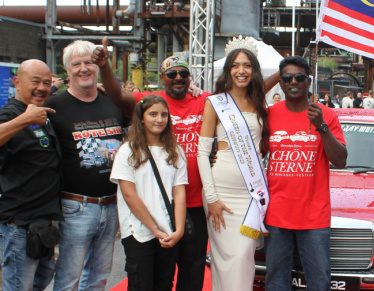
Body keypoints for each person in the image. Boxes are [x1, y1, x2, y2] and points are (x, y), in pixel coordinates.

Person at [93, 36, 281, 289]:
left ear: (190, 78)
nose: (179, 77)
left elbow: (246, 94)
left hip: (197, 199)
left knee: (196, 270)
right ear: (163, 78)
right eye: (172, 74)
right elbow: (118, 95)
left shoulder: (204, 100)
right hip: (166, 202)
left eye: (184, 73)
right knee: (161, 272)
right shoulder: (152, 102)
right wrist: (105, 68)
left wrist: (285, 73)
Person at [46, 40, 125, 291]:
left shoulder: (112, 102)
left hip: (111, 205)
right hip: (76, 206)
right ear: (66, 70)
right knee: (69, 280)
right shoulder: (54, 107)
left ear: (98, 67)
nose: (83, 68)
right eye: (76, 64)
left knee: (98, 278)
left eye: (89, 62)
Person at [265, 56, 347, 290]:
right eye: (287, 78)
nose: (294, 82)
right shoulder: (269, 114)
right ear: (280, 83)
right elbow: (246, 97)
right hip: (276, 213)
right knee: (276, 282)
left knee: (319, 282)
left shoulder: (326, 115)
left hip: (314, 216)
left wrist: (321, 125)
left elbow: (340, 161)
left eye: (299, 77)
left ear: (308, 81)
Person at [196, 40, 270, 290]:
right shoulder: (215, 102)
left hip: (252, 196)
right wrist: (212, 197)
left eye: (247, 65)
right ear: (228, 70)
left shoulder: (261, 104)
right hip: (222, 194)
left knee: (244, 257)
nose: (242, 71)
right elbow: (202, 153)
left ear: (254, 70)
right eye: (236, 66)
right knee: (225, 259)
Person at [110, 95, 187, 290]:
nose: (159, 119)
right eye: (153, 114)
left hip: (168, 232)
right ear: (142, 118)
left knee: (164, 284)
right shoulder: (128, 151)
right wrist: (154, 229)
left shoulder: (175, 150)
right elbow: (129, 195)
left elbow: (179, 193)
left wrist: (178, 231)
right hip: (138, 231)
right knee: (140, 285)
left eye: (164, 115)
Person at [0, 60, 62, 291]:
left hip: (42, 221)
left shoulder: (42, 111)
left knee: (42, 280)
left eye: (47, 83)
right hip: (19, 223)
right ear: (17, 82)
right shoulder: (11, 113)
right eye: (35, 81)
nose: (42, 88)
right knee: (18, 285)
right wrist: (25, 119)